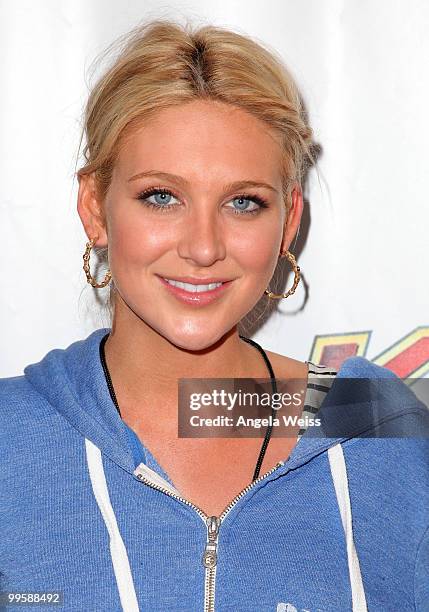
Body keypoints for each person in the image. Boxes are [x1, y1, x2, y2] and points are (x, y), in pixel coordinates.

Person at [1, 18, 428, 612]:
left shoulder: (374, 423)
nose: (204, 247)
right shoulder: (9, 435)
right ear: (95, 209)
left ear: (289, 220)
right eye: (161, 197)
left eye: (243, 202)